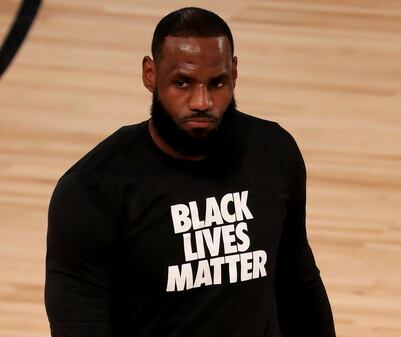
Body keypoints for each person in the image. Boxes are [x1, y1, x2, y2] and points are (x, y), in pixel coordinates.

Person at [44, 7, 336, 337]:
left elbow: (298, 284)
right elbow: (80, 325)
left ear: (235, 73)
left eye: (217, 83)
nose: (201, 101)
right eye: (182, 82)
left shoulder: (274, 154)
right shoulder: (93, 191)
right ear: (150, 74)